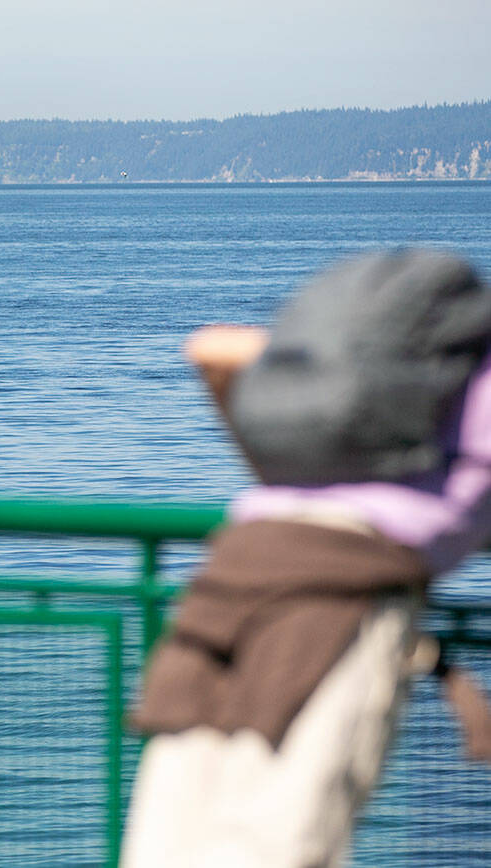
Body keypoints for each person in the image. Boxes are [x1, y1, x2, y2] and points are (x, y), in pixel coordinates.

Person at [123, 259, 491, 867]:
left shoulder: (367, 401)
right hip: (339, 598)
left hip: (234, 573)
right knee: (285, 835)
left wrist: (308, 368)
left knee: (169, 831)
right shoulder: (462, 384)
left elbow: (211, 347)